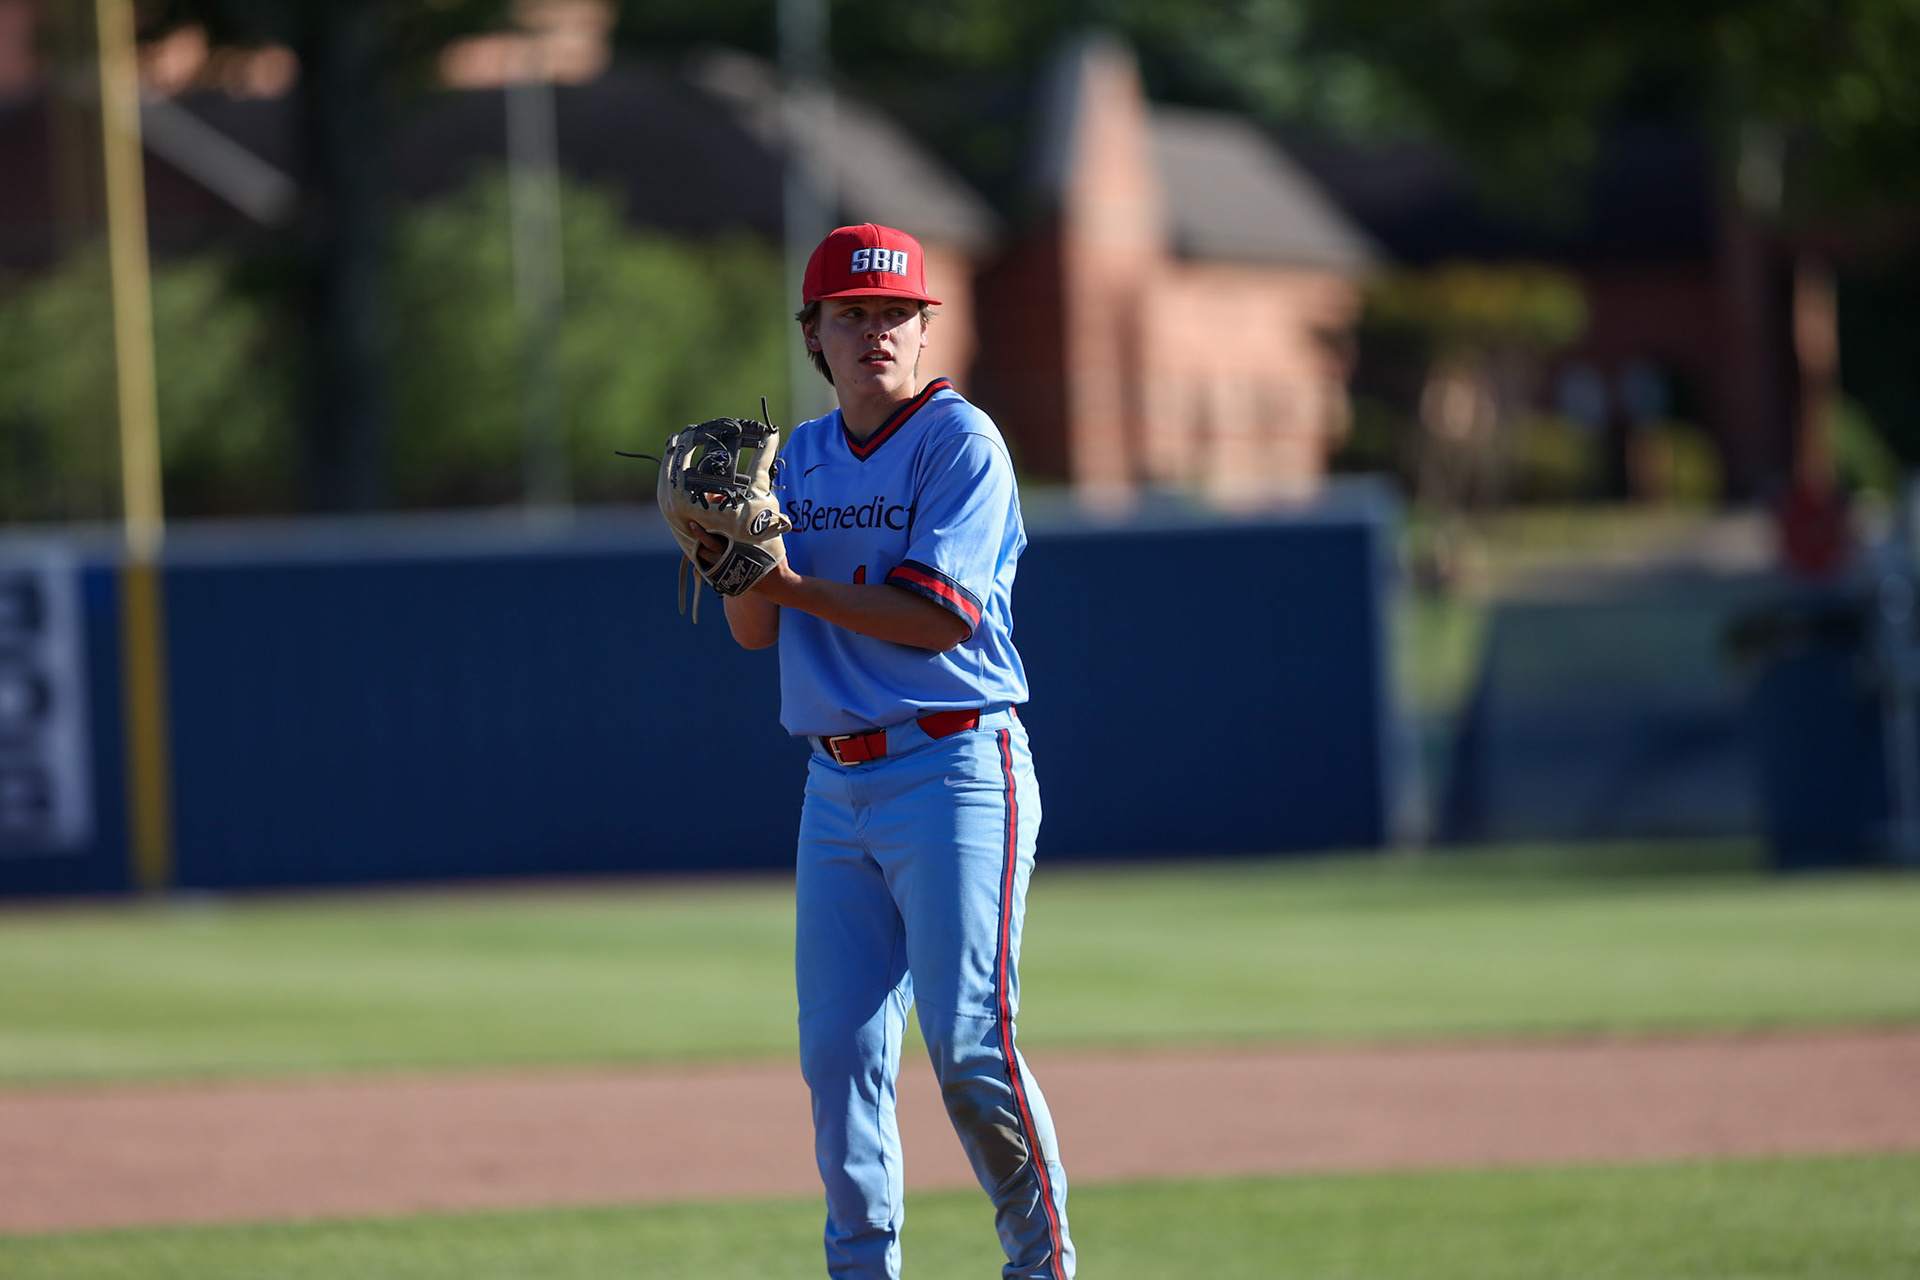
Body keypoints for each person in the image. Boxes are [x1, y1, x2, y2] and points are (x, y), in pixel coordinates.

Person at [685, 223, 1075, 1280]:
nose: (876, 332)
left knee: (968, 1042)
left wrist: (775, 577)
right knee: (840, 1054)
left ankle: (1042, 1266)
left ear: (922, 327)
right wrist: (727, 558)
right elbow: (758, 632)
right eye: (851, 314)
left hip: (955, 767)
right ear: (812, 333)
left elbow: (935, 617)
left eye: (896, 312)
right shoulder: (796, 457)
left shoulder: (960, 441)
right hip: (836, 782)